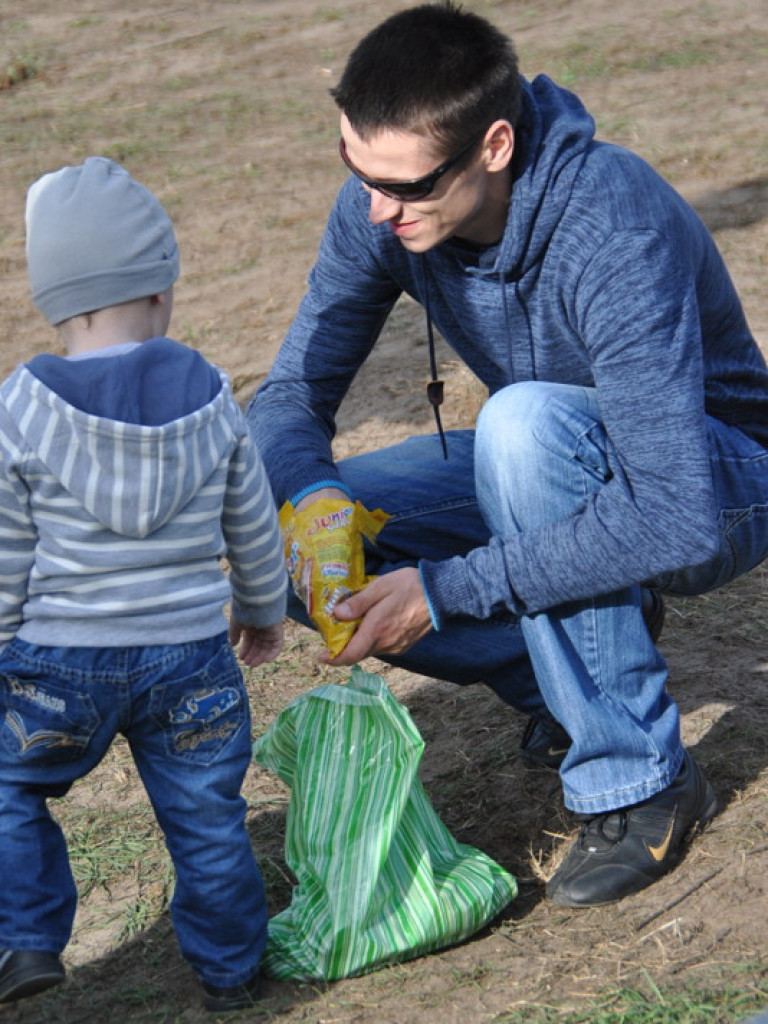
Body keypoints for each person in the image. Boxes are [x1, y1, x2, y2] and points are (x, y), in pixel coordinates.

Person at [247, 0, 768, 910]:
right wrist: (314, 499)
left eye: (404, 185)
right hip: (563, 473)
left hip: (719, 479)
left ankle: (643, 782)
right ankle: (561, 683)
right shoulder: (384, 208)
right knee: (282, 524)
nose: (377, 207)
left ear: (492, 146)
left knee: (522, 427)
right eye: (355, 168)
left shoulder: (611, 222)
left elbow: (675, 511)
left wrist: (445, 590)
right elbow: (291, 394)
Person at [0, 157, 287, 1011]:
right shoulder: (208, 392)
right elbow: (253, 520)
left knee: (9, 790)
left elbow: (8, 551)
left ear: (54, 299)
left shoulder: (21, 406)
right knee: (205, 820)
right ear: (161, 291)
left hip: (56, 668)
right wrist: (263, 609)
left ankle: (23, 940)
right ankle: (235, 972)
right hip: (190, 661)